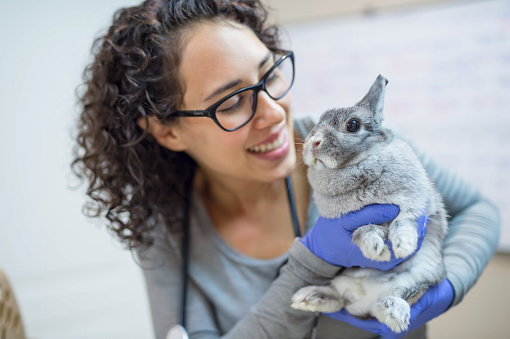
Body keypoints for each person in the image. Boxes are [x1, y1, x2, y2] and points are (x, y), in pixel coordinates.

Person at [72, 1, 500, 338]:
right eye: (231, 102)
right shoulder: (165, 228)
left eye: (269, 73)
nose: (275, 113)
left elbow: (478, 209)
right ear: (168, 133)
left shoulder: (362, 148)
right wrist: (309, 264)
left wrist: (447, 287)